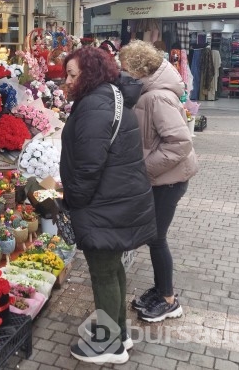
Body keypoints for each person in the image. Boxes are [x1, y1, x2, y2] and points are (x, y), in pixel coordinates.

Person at [60, 47, 156, 364]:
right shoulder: (110, 95)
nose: (66, 81)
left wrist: (73, 201)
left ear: (89, 74)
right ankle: (120, 334)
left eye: (72, 75)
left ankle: (109, 345)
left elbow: (88, 167)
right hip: (117, 199)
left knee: (103, 272)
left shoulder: (93, 107)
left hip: (104, 204)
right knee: (113, 268)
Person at [118, 40, 198, 322]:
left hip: (168, 181)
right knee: (154, 238)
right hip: (163, 179)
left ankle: (168, 300)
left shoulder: (156, 97)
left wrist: (144, 169)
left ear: (139, 69)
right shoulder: (151, 92)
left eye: (126, 67)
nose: (123, 72)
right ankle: (161, 289)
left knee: (157, 238)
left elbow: (179, 143)